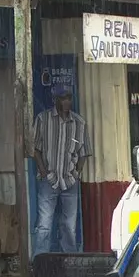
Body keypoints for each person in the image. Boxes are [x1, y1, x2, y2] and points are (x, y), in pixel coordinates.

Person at [32, 85, 88, 254]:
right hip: (49, 180)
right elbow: (35, 148)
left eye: (69, 98)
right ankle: (40, 262)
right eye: (62, 98)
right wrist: (43, 172)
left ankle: (69, 261)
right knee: (44, 225)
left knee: (69, 226)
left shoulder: (79, 123)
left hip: (70, 180)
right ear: (54, 99)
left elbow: (84, 152)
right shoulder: (43, 120)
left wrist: (77, 173)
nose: (66, 102)